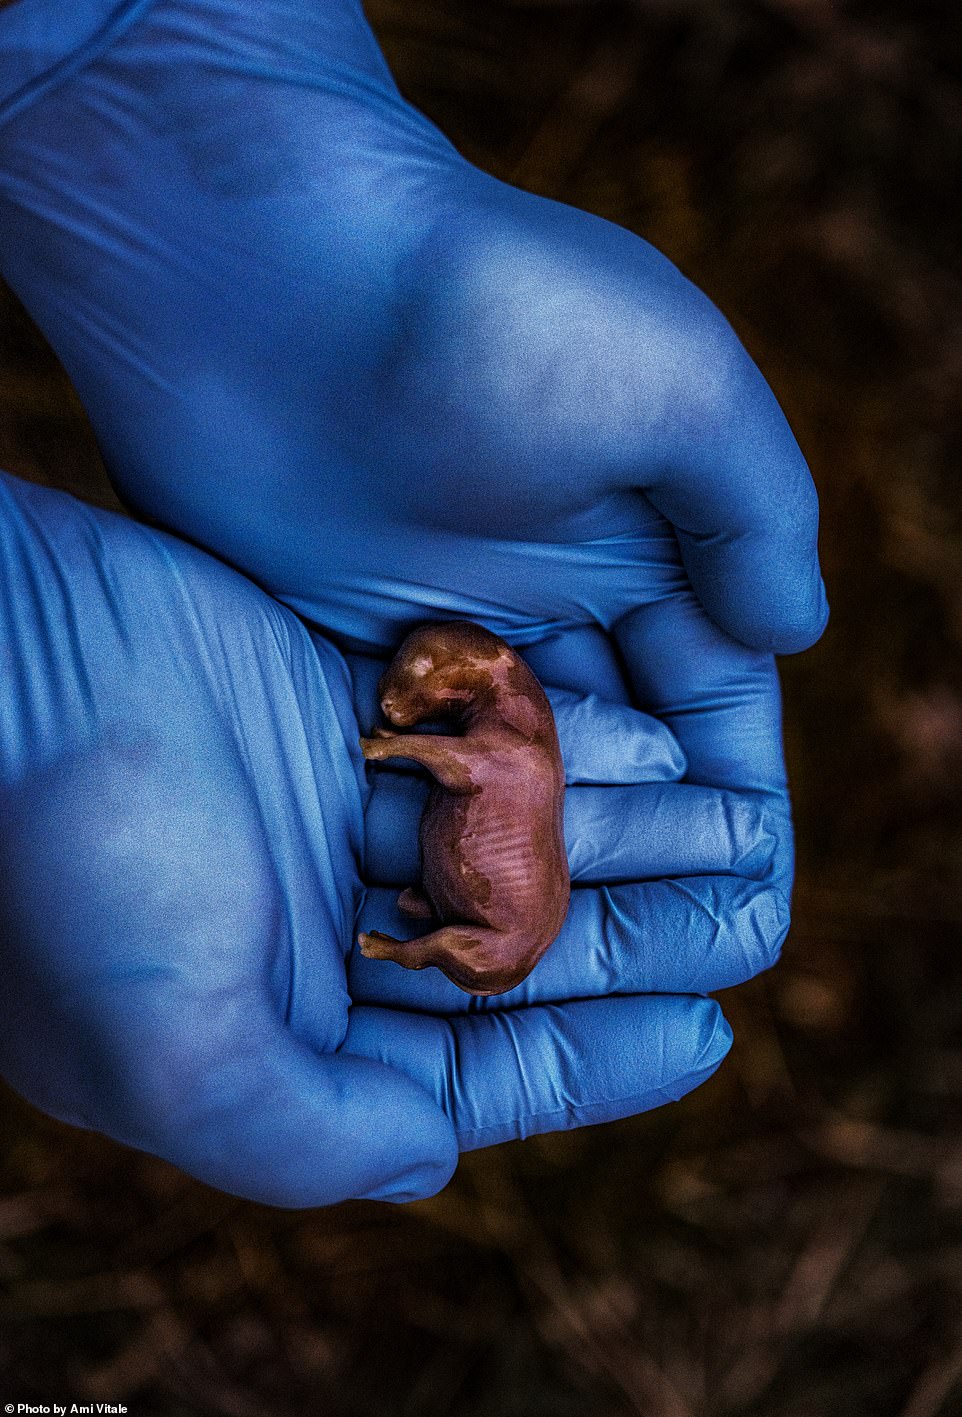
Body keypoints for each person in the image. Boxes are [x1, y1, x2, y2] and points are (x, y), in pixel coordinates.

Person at [0, 0, 826, 1204]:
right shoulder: (497, 737)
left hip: (477, 914)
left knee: (441, 938)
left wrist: (133, 46)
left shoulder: (500, 748)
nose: (401, 709)